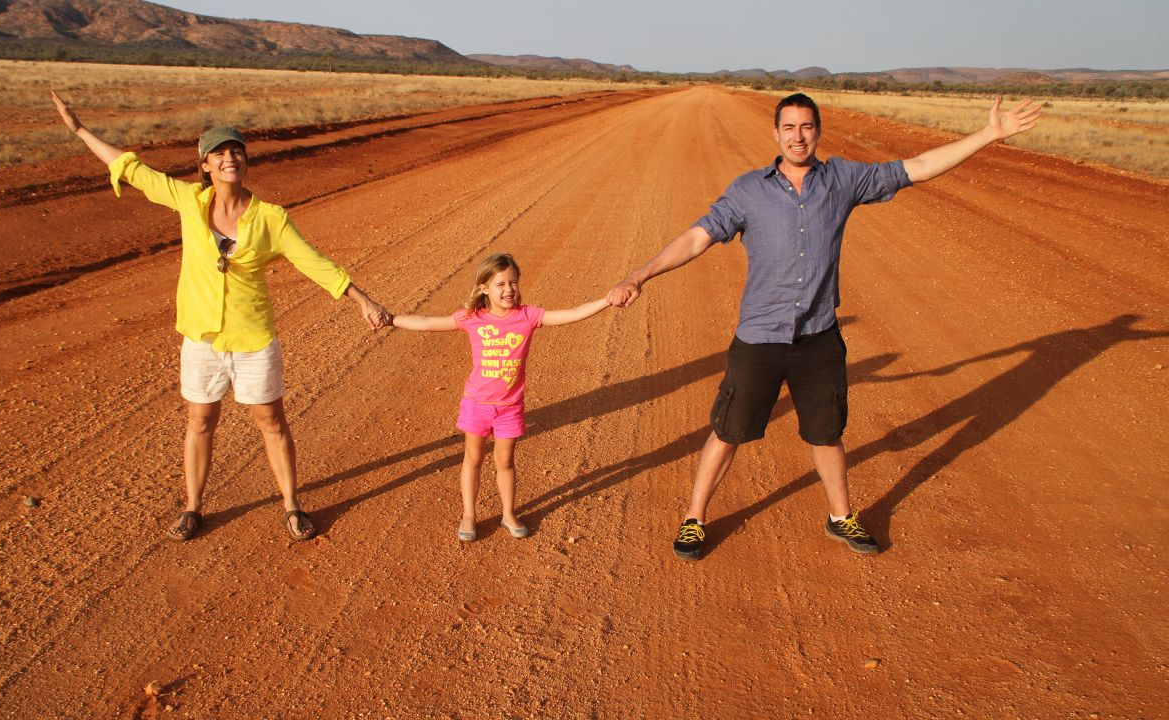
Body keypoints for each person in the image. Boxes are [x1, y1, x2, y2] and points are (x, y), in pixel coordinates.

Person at [607, 92, 1042, 560]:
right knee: (730, 430)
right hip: (760, 337)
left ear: (818, 131)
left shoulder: (843, 180)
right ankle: (694, 518)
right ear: (776, 134)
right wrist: (641, 273)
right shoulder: (748, 190)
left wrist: (988, 135)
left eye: (807, 127)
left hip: (818, 336)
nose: (798, 136)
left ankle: (841, 518)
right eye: (789, 128)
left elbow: (916, 166)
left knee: (827, 434)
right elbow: (699, 236)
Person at [50, 92, 390, 542]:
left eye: (236, 152)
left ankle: (291, 505)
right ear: (205, 165)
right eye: (220, 154)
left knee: (271, 422)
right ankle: (193, 507)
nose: (230, 158)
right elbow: (133, 170)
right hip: (202, 338)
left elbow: (315, 262)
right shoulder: (190, 201)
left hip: (253, 339)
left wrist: (362, 300)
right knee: (201, 421)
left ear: (244, 161)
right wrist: (79, 131)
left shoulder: (271, 218)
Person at [390, 252, 610, 541]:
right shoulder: (472, 318)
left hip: (510, 407)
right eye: (500, 284)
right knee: (473, 458)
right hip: (476, 406)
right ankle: (470, 515)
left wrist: (606, 301)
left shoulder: (527, 316)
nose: (509, 290)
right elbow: (427, 322)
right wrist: (391, 319)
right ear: (484, 288)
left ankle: (508, 514)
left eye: (513, 282)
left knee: (505, 461)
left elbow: (569, 314)